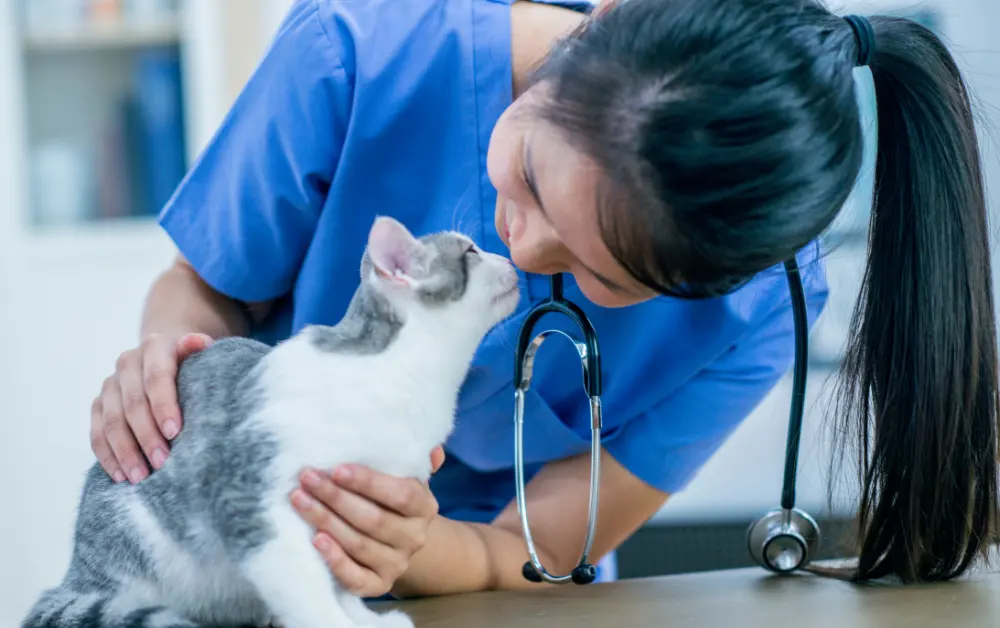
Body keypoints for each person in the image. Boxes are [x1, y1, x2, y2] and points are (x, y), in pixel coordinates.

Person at [88, 0, 999, 599]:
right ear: (599, 19)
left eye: (604, 279)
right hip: (243, 562)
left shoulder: (760, 309)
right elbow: (206, 287)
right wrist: (171, 362)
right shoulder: (355, 53)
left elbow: (534, 549)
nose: (521, 249)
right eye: (527, 174)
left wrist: (413, 548)